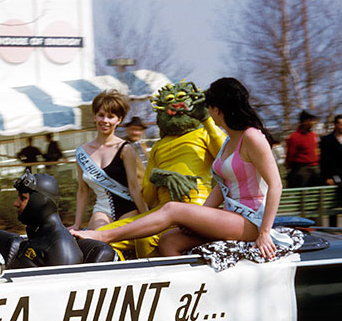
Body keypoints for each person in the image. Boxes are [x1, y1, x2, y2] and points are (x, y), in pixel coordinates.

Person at [71, 77, 292, 260]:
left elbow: (276, 185)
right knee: (169, 240)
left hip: (251, 220)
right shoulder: (228, 141)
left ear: (217, 110)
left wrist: (264, 233)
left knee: (173, 210)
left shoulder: (251, 137)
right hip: (229, 217)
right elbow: (222, 185)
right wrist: (199, 217)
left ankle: (105, 236)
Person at [97, 79, 226, 258]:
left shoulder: (204, 133)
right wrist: (156, 179)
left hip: (196, 209)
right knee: (101, 236)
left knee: (144, 238)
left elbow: (228, 158)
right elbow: (148, 197)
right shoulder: (157, 146)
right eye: (169, 100)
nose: (174, 103)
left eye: (180, 98)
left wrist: (207, 121)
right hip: (162, 213)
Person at [70, 90, 148, 230]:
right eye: (101, 115)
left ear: (119, 120)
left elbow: (134, 187)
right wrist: (77, 224)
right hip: (102, 210)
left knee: (114, 238)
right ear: (95, 116)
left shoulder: (125, 149)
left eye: (111, 116)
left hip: (129, 209)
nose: (105, 120)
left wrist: (147, 216)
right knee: (96, 241)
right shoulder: (82, 153)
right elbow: (82, 191)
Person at [4, 169, 82, 268]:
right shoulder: (38, 234)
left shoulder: (60, 245)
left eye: (22, 198)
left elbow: (67, 281)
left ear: (39, 202)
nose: (15, 203)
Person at [285, 110, 320, 188]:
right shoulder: (295, 137)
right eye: (310, 121)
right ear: (304, 122)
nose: (312, 123)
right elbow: (290, 154)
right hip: (302, 170)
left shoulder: (313, 135)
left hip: (315, 168)